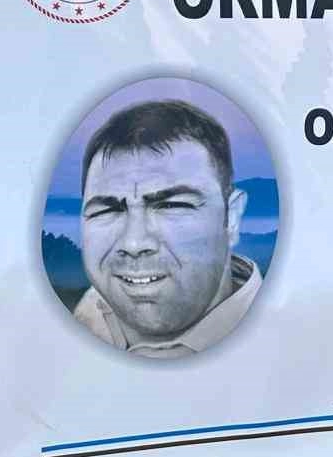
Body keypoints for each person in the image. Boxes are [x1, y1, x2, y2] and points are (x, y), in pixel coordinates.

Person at [74, 100, 259, 358]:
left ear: (232, 218)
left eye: (172, 206)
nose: (134, 243)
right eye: (107, 210)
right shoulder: (78, 321)